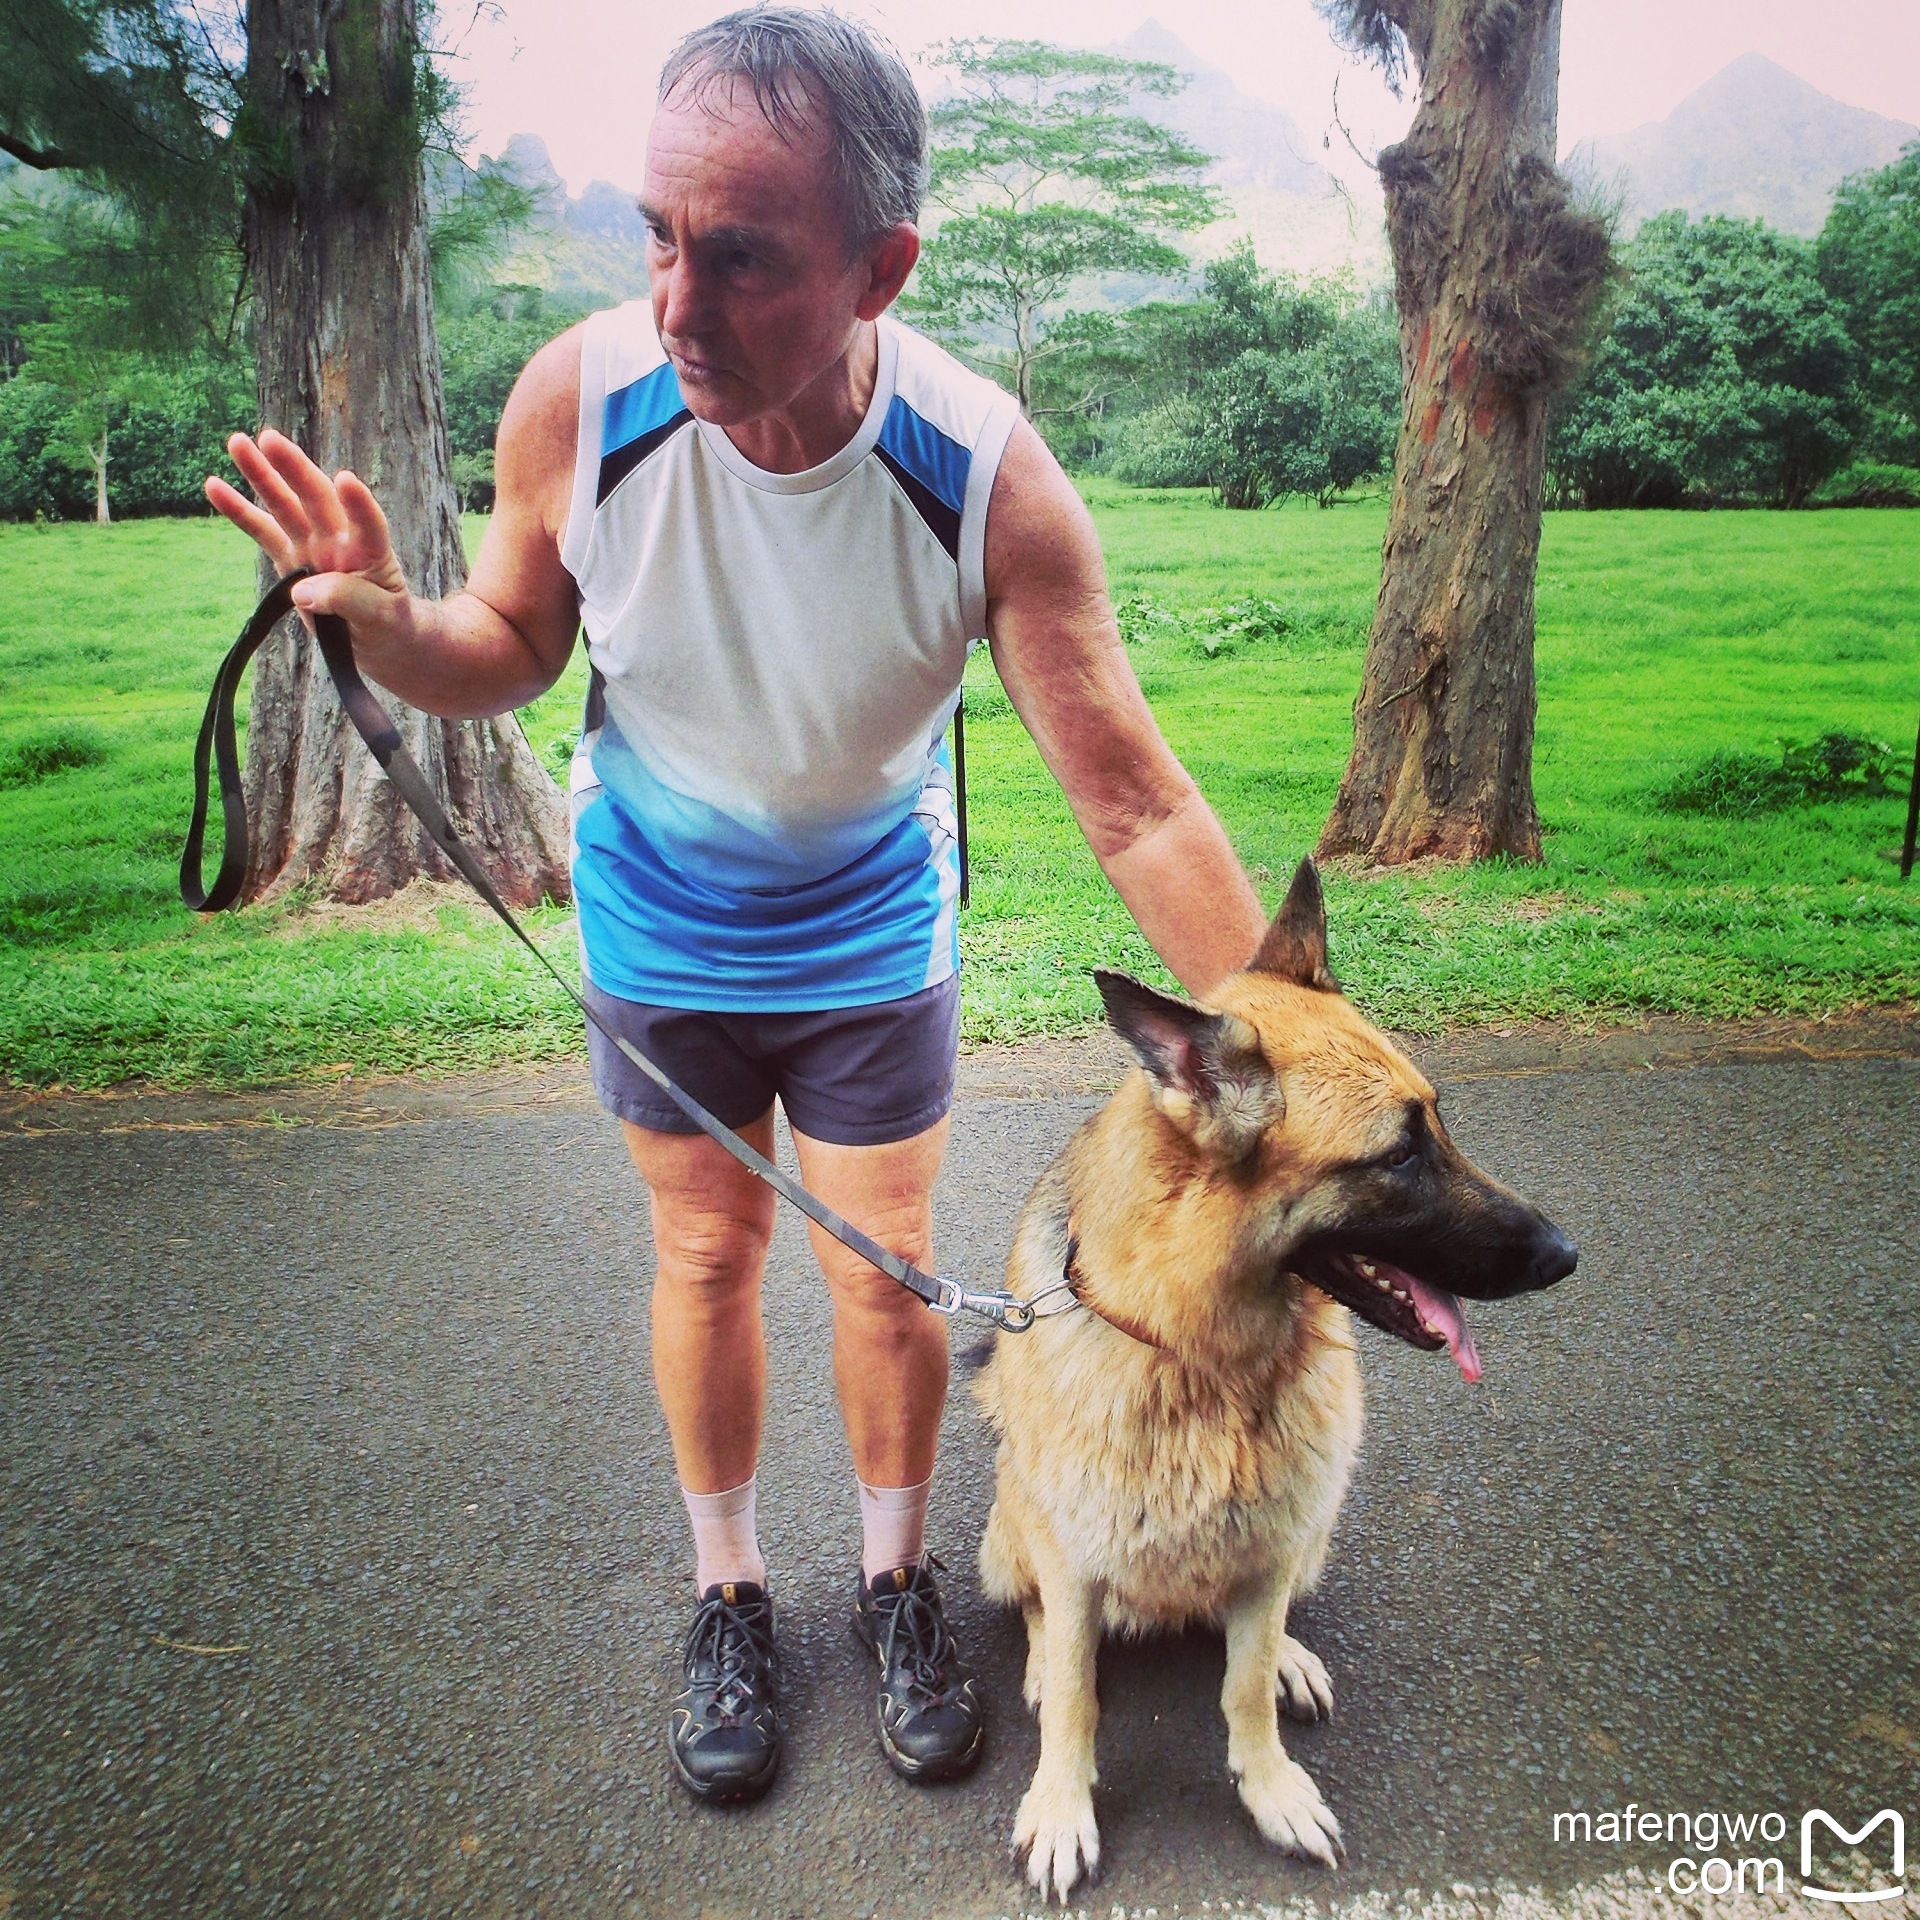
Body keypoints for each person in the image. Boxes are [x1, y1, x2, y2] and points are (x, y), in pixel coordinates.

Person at [206, 6, 1267, 1805]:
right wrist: (387, 626)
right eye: (657, 239)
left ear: (880, 269)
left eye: (745, 257)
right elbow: (512, 648)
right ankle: (728, 1593)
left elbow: (1140, 799)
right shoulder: (585, 399)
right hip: (661, 922)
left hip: (867, 926)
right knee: (706, 1252)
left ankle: (892, 1579)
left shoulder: (985, 476)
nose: (679, 304)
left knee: (879, 1278)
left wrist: (1287, 1053)